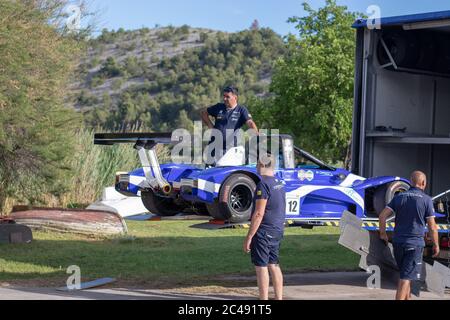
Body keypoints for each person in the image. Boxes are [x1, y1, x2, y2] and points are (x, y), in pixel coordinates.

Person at [379, 171, 440, 300]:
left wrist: (383, 234)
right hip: (414, 245)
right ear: (423, 183)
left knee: (406, 276)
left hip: (398, 244)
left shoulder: (399, 197)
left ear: (411, 182)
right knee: (405, 279)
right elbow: (432, 227)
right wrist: (436, 244)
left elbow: (382, 216)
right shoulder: (426, 200)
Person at [243, 154, 286, 300]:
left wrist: (249, 236)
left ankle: (263, 300)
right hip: (277, 229)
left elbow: (259, 213)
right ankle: (278, 297)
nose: (256, 167)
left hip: (264, 232)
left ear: (262, 165)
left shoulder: (263, 185)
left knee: (261, 266)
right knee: (274, 264)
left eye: (257, 164)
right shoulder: (279, 183)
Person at [201, 86, 259, 158]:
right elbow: (204, 113)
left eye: (227, 97)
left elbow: (250, 123)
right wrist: (211, 126)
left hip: (230, 150)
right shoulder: (219, 107)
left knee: (228, 169)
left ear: (235, 97)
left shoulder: (241, 110)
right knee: (211, 168)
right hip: (214, 146)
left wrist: (256, 134)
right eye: (224, 96)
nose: (224, 99)